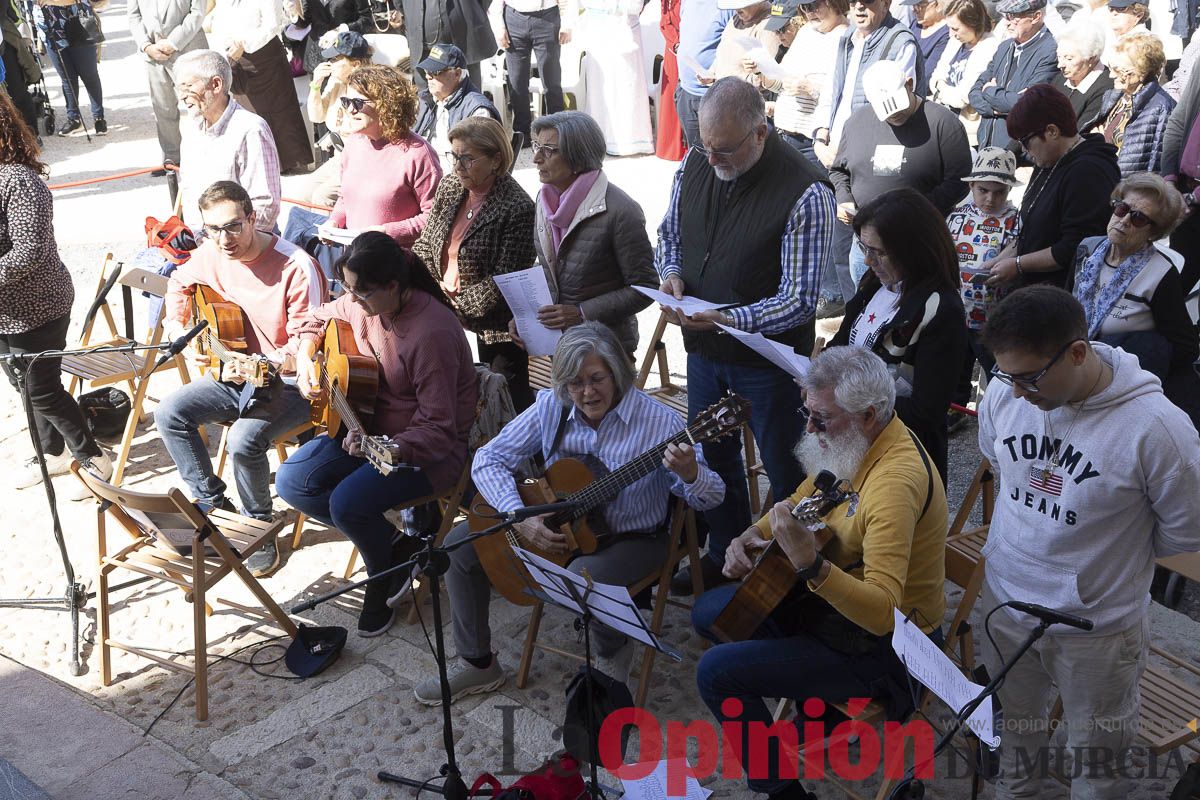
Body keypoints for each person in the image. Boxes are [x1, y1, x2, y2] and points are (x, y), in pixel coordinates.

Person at [413, 321, 724, 704]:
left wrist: (691, 473)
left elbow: (712, 498)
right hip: (564, 528)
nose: (587, 392)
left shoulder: (663, 424)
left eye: (597, 378)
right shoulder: (553, 405)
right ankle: (479, 663)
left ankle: (613, 653)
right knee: (460, 544)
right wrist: (519, 515)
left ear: (617, 372)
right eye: (575, 383)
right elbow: (488, 458)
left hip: (636, 537)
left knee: (581, 578)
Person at [692, 346, 948, 800]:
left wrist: (811, 564)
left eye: (821, 418)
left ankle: (785, 791)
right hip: (833, 614)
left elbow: (884, 614)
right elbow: (806, 494)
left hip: (889, 647)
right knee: (711, 611)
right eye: (806, 412)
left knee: (716, 673)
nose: (809, 428)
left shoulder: (893, 483)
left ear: (869, 415)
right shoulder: (855, 440)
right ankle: (818, 710)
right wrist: (752, 533)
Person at [977, 285, 1200, 800]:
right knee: (1019, 730)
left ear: (1078, 352)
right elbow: (1000, 462)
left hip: (1096, 630)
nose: (1015, 393)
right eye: (1006, 376)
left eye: (1030, 377)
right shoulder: (1006, 392)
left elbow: (1182, 534)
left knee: (1097, 757)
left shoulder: (1159, 429)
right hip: (1006, 606)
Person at [656, 78, 834, 591]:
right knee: (715, 455)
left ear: (761, 133)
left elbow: (800, 299)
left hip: (769, 364)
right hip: (706, 350)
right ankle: (724, 550)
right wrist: (672, 276)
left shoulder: (805, 189)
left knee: (785, 467)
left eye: (724, 149)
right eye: (705, 145)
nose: (711, 159)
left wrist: (727, 317)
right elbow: (670, 234)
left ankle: (785, 570)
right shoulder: (696, 161)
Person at [277, 232, 477, 637]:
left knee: (347, 503)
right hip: (367, 427)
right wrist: (306, 354)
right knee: (293, 481)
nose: (354, 299)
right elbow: (318, 317)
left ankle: (382, 567)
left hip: (427, 454)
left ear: (393, 286)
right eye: (348, 289)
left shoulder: (431, 333)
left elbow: (440, 430)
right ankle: (398, 548)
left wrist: (384, 447)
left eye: (362, 293)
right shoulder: (362, 300)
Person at [158, 181, 327, 576]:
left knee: (242, 439)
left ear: (253, 218)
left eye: (233, 226)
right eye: (212, 229)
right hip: (235, 373)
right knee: (169, 413)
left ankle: (258, 526)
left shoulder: (295, 266)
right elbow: (178, 283)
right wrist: (175, 325)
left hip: (290, 381)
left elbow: (313, 339)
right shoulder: (209, 253)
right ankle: (215, 507)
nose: (223, 238)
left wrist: (262, 362)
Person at [1, 92, 112, 497]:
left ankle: (94, 456)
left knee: (42, 389)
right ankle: (52, 451)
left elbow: (29, 251)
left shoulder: (18, 180)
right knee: (21, 386)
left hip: (38, 306)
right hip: (3, 312)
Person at [829, 188, 966, 483]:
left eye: (878, 252)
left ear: (913, 249)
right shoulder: (874, 285)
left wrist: (846, 401)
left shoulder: (942, 309)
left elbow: (926, 411)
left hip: (901, 460)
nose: (868, 261)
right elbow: (841, 343)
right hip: (852, 444)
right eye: (864, 248)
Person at [411, 117, 538, 410]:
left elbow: (503, 279)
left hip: (495, 325)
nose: (457, 166)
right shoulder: (451, 186)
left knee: (504, 401)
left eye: (467, 159)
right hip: (440, 307)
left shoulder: (518, 207)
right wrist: (428, 296)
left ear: (496, 160)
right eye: (453, 156)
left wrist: (454, 311)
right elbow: (426, 245)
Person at [518, 111, 656, 357]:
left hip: (605, 351)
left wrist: (581, 312)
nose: (536, 157)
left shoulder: (621, 211)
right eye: (537, 145)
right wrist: (525, 319)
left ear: (579, 158)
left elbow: (645, 288)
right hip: (560, 346)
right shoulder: (544, 199)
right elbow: (552, 268)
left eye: (548, 150)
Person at [829, 60, 972, 291]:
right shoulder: (857, 122)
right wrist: (844, 197)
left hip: (918, 241)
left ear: (909, 83)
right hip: (866, 243)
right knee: (865, 305)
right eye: (885, 109)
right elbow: (839, 170)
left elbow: (958, 182)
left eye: (896, 106)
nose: (893, 115)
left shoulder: (943, 122)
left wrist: (911, 215)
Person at [984, 83, 1119, 291]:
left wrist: (1017, 265)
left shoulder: (1088, 171)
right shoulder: (1050, 157)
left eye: (1026, 141)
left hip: (1057, 294)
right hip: (1032, 286)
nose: (1024, 150)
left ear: (1052, 131)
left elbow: (1074, 247)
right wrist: (1001, 260)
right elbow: (1032, 232)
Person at [1072, 173, 1196, 383]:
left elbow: (1184, 347)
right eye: (1121, 208)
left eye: (1139, 218)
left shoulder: (1160, 274)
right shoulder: (1088, 249)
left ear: (1154, 232)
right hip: (1074, 363)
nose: (1124, 220)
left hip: (1121, 378)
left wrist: (1140, 367)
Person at [322, 65, 442, 250]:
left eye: (359, 103)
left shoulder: (418, 153)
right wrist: (334, 222)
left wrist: (387, 232)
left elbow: (435, 217)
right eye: (347, 101)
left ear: (387, 105)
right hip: (355, 262)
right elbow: (345, 198)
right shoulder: (353, 144)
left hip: (397, 266)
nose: (351, 110)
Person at [946, 146, 1022, 412]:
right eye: (983, 190)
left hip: (991, 313)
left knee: (994, 364)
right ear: (972, 186)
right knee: (956, 363)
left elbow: (1016, 250)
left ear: (1009, 190)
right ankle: (955, 408)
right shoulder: (958, 216)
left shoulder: (1014, 220)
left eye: (999, 191)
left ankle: (1000, 410)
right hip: (957, 308)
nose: (990, 199)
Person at [176, 49, 282, 231]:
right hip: (202, 243)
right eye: (179, 89)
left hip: (243, 246)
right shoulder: (192, 128)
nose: (182, 96)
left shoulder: (250, 129)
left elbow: (265, 206)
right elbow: (189, 193)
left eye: (188, 87)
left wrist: (229, 247)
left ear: (216, 85)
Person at [206, 0, 313, 173]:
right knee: (249, 113)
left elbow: (272, 25)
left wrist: (245, 45)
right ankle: (257, 163)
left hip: (267, 57)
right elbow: (217, 25)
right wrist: (229, 50)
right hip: (237, 59)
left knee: (281, 112)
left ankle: (288, 162)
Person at [811, 0, 921, 166]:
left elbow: (899, 114)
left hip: (869, 159)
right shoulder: (848, 36)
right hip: (835, 151)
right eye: (852, 1)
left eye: (867, 0)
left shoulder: (901, 43)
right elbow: (831, 92)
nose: (859, 6)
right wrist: (820, 138)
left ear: (886, 3)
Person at [745, 0, 849, 171]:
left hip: (812, 142)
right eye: (804, 7)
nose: (809, 13)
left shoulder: (846, 37)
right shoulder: (807, 31)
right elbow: (782, 83)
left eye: (814, 6)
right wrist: (760, 70)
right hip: (783, 135)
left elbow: (844, 95)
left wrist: (810, 89)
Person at [968, 0, 1059, 150]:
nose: (1006, 23)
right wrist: (994, 109)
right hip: (987, 145)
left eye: (1013, 17)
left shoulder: (1050, 52)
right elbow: (974, 92)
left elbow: (1026, 104)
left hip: (1019, 152)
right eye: (1005, 16)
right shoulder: (1005, 46)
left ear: (1036, 17)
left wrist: (989, 91)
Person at [129, 0, 207, 172]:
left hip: (188, 49)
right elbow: (134, 16)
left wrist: (172, 43)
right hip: (153, 56)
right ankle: (172, 158)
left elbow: (198, 13)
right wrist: (146, 46)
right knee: (163, 108)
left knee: (200, 106)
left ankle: (206, 155)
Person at [303, 30, 373, 207]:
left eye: (336, 60)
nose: (330, 64)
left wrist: (338, 133)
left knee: (322, 197)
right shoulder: (336, 83)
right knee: (304, 193)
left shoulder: (370, 89)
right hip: (340, 157)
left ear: (355, 64)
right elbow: (316, 117)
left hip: (364, 159)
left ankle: (327, 234)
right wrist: (316, 85)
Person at [489, 0, 572, 147]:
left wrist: (567, 24)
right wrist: (498, 27)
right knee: (516, 81)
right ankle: (522, 133)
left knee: (551, 81)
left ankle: (558, 131)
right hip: (514, 17)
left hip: (547, 17)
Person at [577, 0, 654, 155]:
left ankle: (629, 141)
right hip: (598, 35)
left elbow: (636, 5)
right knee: (601, 88)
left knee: (627, 87)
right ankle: (599, 138)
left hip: (625, 32)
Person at [412, 44, 500, 172]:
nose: (428, 77)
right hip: (422, 172)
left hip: (452, 179)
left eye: (434, 72)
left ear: (457, 74)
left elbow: (474, 164)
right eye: (426, 72)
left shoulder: (478, 111)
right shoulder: (426, 100)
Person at [1097, 32, 1175, 175]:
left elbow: (1155, 164)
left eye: (1118, 70)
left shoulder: (1161, 108)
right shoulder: (1113, 96)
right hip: (1102, 175)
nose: (1111, 75)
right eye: (1110, 67)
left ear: (1142, 71)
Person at [928, 0, 1000, 140]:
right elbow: (934, 77)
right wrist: (940, 85)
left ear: (973, 24)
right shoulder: (955, 41)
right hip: (942, 119)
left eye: (955, 28)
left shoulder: (989, 47)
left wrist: (940, 87)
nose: (950, 34)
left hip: (966, 131)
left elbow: (962, 98)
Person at [36, 0, 105, 136]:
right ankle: (73, 119)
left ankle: (99, 118)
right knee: (67, 77)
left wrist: (53, 1)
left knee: (89, 75)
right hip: (50, 27)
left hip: (78, 21)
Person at [1162, 50, 1200, 292]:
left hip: (1191, 199)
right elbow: (1177, 121)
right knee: (1172, 291)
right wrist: (1169, 180)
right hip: (1184, 190)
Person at [397, 0, 496, 89]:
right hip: (422, 46)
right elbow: (399, 4)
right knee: (426, 100)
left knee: (467, 96)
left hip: (463, 43)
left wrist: (471, 11)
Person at [675, 0, 735, 147]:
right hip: (686, 89)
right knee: (694, 153)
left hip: (712, 94)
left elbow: (734, 47)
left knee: (717, 154)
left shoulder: (726, 6)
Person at [1051, 21, 1113, 130]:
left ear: (1091, 59)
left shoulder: (1106, 88)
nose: (1060, 65)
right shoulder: (1062, 77)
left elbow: (1078, 134)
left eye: (1069, 58)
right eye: (1059, 56)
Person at [710, 0, 779, 83]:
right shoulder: (736, 19)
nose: (736, 8)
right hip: (723, 89)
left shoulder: (769, 25)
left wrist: (734, 86)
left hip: (744, 93)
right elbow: (724, 51)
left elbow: (766, 75)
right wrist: (712, 73)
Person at [656, 0, 687, 160]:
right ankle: (674, 147)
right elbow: (665, 21)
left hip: (696, 43)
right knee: (673, 94)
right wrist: (676, 43)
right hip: (674, 48)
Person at [903, 0, 948, 94]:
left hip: (917, 94)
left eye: (920, 5)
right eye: (913, 5)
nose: (914, 10)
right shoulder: (916, 24)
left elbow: (927, 76)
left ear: (938, 5)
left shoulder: (946, 33)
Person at [1101, 0, 1149, 65]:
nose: (1114, 13)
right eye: (1111, 8)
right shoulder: (1106, 33)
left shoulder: (1146, 43)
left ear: (1138, 15)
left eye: (1121, 9)